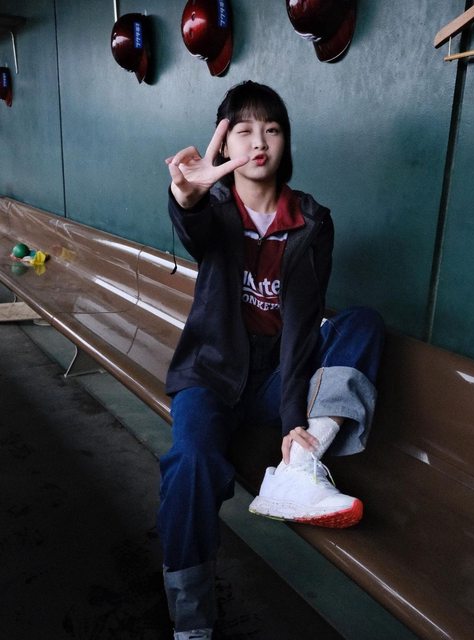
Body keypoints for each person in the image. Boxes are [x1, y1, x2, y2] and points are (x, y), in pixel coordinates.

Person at [159, 80, 385, 640]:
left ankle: (299, 466)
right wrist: (186, 198)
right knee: (191, 461)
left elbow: (303, 329)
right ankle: (191, 623)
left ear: (286, 142)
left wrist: (292, 424)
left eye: (273, 129)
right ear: (225, 142)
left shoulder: (311, 221)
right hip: (211, 373)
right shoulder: (214, 208)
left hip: (277, 376)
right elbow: (194, 230)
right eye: (244, 130)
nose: (259, 141)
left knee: (361, 322)